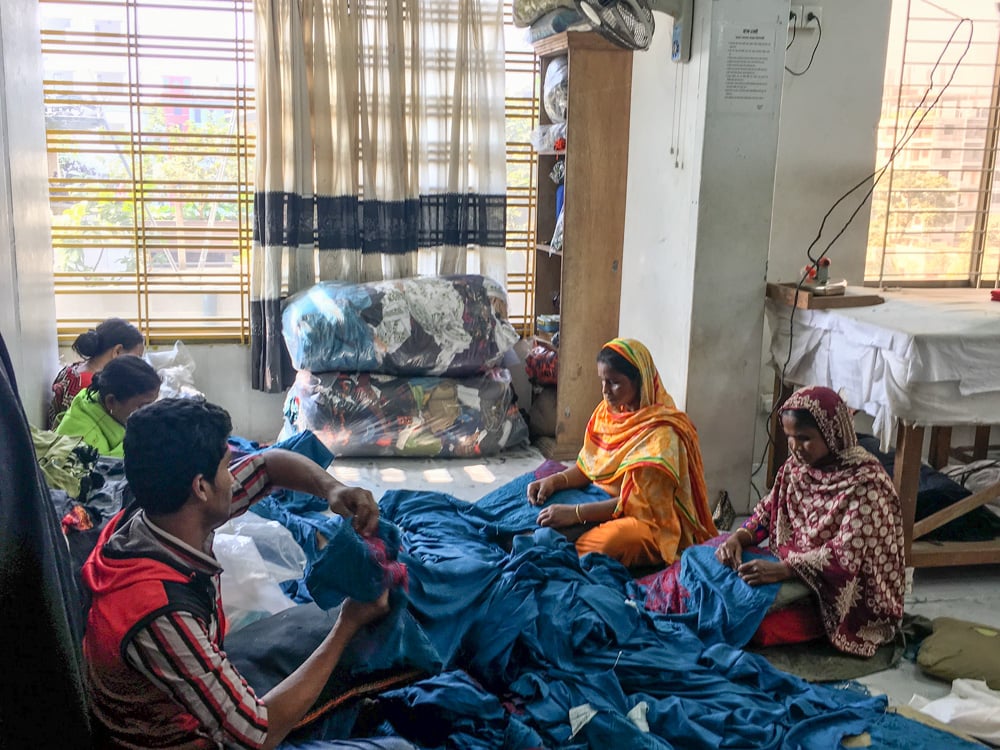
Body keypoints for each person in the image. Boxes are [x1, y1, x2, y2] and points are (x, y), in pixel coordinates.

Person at [82, 398, 392, 749]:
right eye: (227, 467)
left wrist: (331, 488)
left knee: (320, 641)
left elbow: (267, 465)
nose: (234, 477)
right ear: (200, 488)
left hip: (175, 693)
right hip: (174, 738)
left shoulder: (158, 516)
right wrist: (347, 625)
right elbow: (255, 735)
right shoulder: (162, 615)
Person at [715, 385, 905, 657]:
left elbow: (844, 557)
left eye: (804, 438)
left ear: (832, 433)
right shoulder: (795, 468)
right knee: (705, 557)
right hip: (791, 567)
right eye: (790, 437)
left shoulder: (867, 484)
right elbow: (766, 513)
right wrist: (737, 538)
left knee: (751, 623)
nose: (795, 447)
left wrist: (784, 570)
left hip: (838, 594)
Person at [527, 338, 717, 568]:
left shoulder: (663, 434)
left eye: (614, 382)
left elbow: (637, 505)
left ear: (640, 382)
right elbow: (589, 469)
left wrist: (575, 513)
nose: (605, 391)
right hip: (596, 499)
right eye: (603, 381)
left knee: (607, 544)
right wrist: (555, 482)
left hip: (643, 518)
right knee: (531, 498)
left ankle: (563, 547)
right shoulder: (607, 414)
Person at [55, 354, 161, 457]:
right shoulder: (86, 447)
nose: (151, 412)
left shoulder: (97, 399)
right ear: (111, 401)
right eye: (143, 406)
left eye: (153, 403)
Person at [49, 318, 144, 428]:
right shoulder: (93, 388)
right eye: (137, 358)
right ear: (117, 351)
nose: (138, 364)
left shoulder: (72, 369)